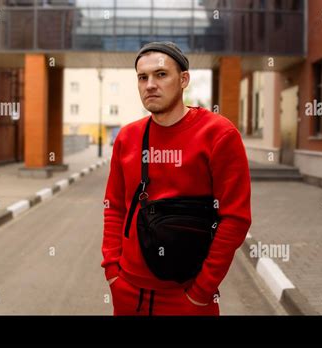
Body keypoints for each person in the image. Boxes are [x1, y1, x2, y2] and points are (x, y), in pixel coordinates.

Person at [101, 41, 251, 316]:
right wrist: (113, 272)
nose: (150, 85)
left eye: (161, 74)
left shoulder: (218, 135)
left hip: (187, 296)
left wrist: (201, 293)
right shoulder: (127, 137)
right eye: (142, 77)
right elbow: (114, 207)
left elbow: (235, 219)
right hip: (128, 293)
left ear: (183, 80)